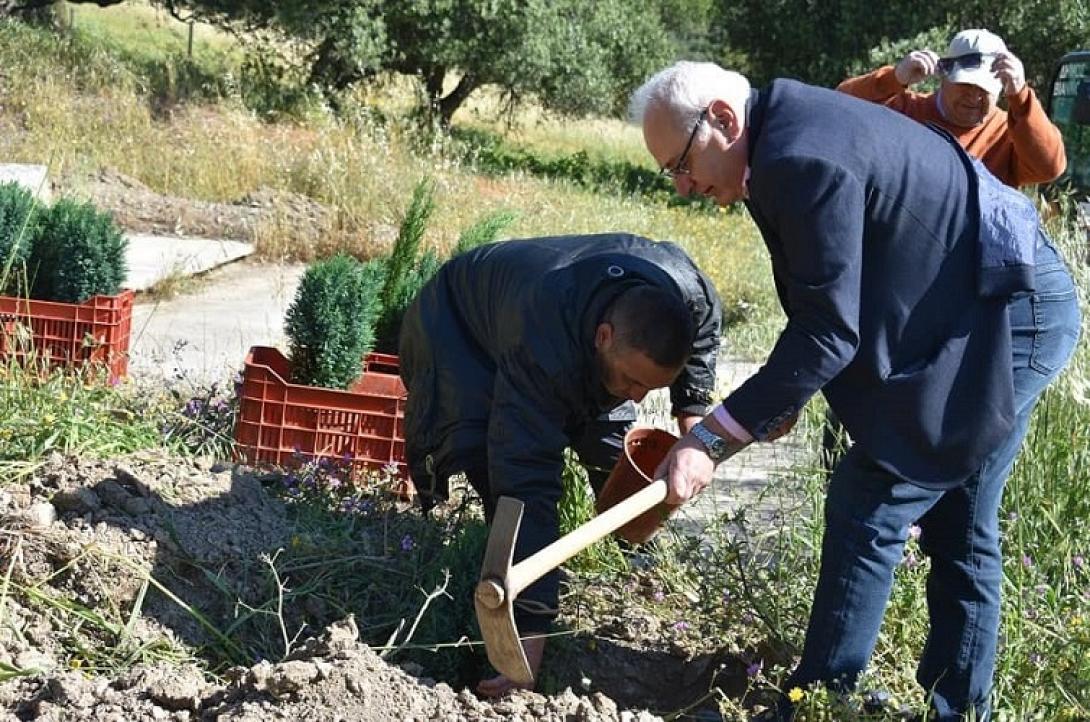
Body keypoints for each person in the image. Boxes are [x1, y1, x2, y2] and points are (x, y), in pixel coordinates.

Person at [630, 61, 1081, 721]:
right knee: (955, 516)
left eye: (681, 164)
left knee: (875, 496)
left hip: (1012, 307)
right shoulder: (774, 145)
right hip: (966, 298)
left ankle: (815, 704)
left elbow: (827, 332)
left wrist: (708, 438)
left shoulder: (800, 155)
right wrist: (779, 400)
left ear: (723, 120)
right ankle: (949, 709)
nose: (684, 186)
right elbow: (828, 294)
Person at [398, 232, 722, 696]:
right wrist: (525, 645)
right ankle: (513, 612)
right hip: (458, 332)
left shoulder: (688, 292)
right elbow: (526, 484)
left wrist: (693, 409)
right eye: (632, 379)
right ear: (603, 337)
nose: (638, 395)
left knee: (617, 456)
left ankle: (641, 570)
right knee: (498, 476)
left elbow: (705, 328)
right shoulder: (540, 344)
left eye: (650, 386)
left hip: (564, 322)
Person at [838, 28, 1065, 188]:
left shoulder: (1009, 133)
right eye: (966, 85)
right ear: (943, 76)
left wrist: (1022, 98)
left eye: (984, 89)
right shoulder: (904, 109)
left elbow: (1050, 167)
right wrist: (893, 79)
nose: (974, 96)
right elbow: (839, 109)